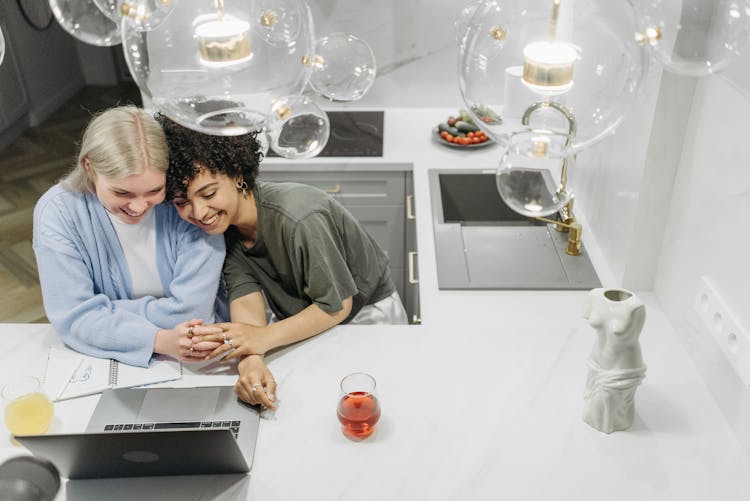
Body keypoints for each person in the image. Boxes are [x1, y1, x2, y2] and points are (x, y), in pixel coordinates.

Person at [159, 116, 407, 407]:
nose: (199, 212)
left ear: (237, 174)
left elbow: (337, 306)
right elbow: (246, 298)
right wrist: (250, 362)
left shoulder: (300, 217)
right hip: (306, 319)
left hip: (365, 319)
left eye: (208, 193)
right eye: (181, 202)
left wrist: (262, 338)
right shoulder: (224, 231)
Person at [33, 106, 226, 368]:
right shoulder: (58, 213)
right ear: (89, 167)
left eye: (154, 190)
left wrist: (105, 313)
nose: (138, 207)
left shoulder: (185, 202)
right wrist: (158, 339)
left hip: (201, 354)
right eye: (122, 193)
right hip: (111, 362)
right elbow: (74, 319)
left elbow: (193, 314)